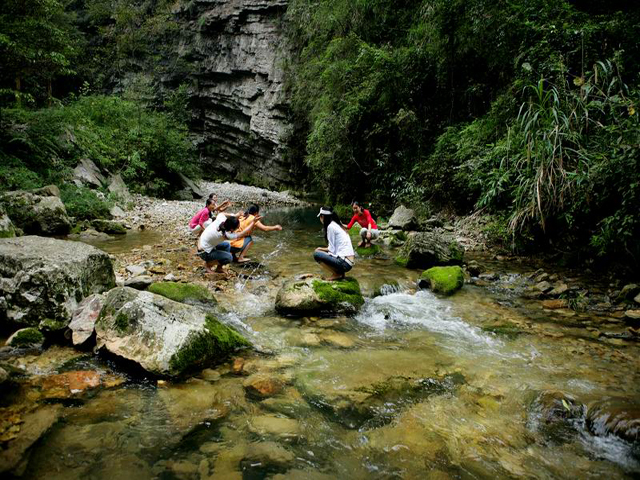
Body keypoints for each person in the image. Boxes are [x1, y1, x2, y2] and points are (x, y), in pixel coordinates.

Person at [313, 206, 355, 281]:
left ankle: (337, 274)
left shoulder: (331, 227)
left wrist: (319, 249)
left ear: (323, 217)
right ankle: (340, 273)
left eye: (320, 217)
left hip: (344, 263)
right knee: (322, 252)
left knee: (316, 254)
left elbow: (331, 249)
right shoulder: (337, 225)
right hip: (348, 262)